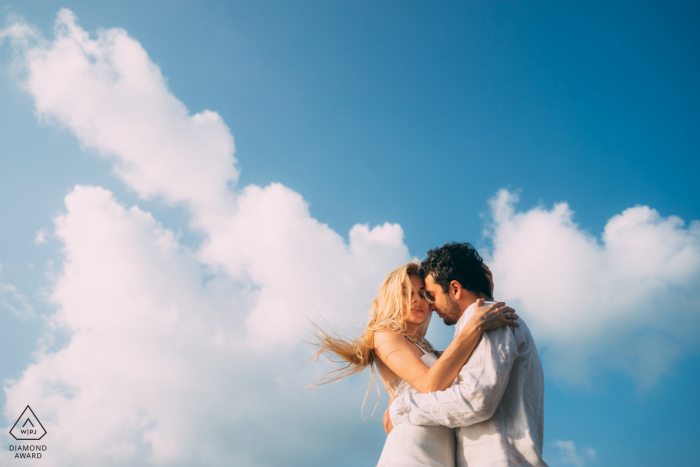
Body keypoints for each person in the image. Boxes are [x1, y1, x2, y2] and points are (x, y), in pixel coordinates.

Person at [309, 261, 519, 467]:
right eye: (405, 292)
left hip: (444, 457)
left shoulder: (430, 349)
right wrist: (474, 325)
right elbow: (429, 384)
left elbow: (475, 362)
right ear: (391, 298)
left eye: (422, 293)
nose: (416, 299)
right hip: (409, 453)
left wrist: (482, 298)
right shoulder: (383, 334)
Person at [384, 243, 548, 467]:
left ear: (455, 289)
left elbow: (475, 399)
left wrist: (400, 408)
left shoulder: (484, 317)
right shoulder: (491, 319)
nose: (431, 306)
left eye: (430, 295)